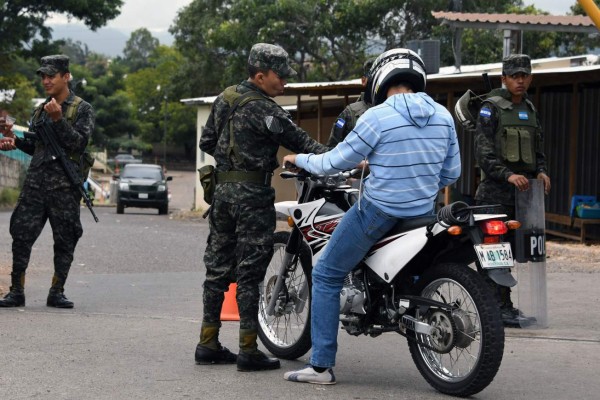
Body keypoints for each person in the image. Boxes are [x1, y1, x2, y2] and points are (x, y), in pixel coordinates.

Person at [282, 48, 461, 385]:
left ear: (380, 79)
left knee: (325, 273)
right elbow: (452, 173)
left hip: (378, 213)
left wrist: (299, 158)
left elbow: (332, 163)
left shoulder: (376, 117)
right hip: (423, 214)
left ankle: (320, 366)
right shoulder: (444, 116)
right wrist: (419, 187)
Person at [195, 43, 329, 372]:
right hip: (252, 196)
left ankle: (207, 343)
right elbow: (303, 143)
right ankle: (247, 350)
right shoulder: (266, 110)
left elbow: (206, 142)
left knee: (216, 269)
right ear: (259, 75)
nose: (284, 82)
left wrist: (232, 156)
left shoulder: (224, 98)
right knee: (251, 274)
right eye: (279, 76)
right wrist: (339, 159)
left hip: (223, 193)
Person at [0, 55, 95, 309]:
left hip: (64, 188)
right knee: (20, 235)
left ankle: (57, 291)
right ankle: (16, 291)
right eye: (43, 75)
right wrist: (15, 141)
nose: (45, 80)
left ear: (66, 77)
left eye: (51, 75)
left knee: (65, 239)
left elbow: (78, 144)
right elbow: (38, 147)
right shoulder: (40, 109)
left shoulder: (82, 109)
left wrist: (58, 120)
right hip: (35, 184)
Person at [473, 54, 551, 327]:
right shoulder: (490, 108)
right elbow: (483, 154)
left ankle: (503, 306)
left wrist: (540, 171)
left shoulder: (529, 109)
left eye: (525, 75)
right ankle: (494, 308)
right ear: (503, 78)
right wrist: (508, 175)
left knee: (514, 252)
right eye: (515, 76)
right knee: (495, 253)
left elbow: (538, 150)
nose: (520, 80)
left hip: (523, 196)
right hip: (494, 194)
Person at [326, 57, 376, 148]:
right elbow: (332, 149)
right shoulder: (349, 114)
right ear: (363, 80)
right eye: (373, 78)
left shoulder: (395, 108)